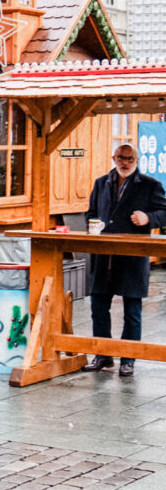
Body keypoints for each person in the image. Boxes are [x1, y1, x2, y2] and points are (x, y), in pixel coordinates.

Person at [81, 143, 166, 377]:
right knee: (98, 307)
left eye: (129, 158)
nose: (124, 162)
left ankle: (128, 359)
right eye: (120, 158)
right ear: (113, 158)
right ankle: (103, 355)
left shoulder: (150, 185)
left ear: (137, 160)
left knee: (132, 311)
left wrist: (148, 217)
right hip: (103, 256)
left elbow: (164, 213)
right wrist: (94, 224)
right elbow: (90, 213)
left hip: (132, 256)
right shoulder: (101, 182)